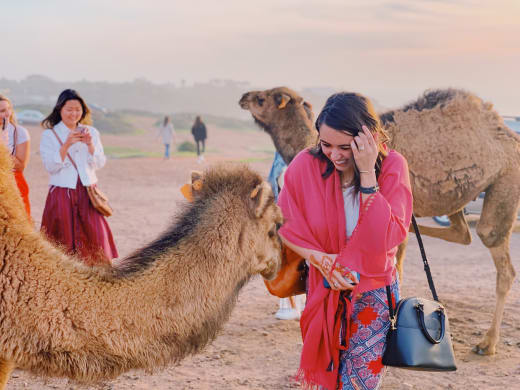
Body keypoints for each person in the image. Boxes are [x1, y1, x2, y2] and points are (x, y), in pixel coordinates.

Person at [277, 92, 413, 390]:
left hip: (373, 295)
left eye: (345, 146)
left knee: (359, 384)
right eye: (326, 145)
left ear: (369, 137)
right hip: (324, 287)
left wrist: (366, 173)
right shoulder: (305, 166)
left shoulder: (393, 168)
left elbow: (385, 238)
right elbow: (286, 226)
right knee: (329, 379)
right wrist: (319, 259)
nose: (335, 155)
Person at [40, 89, 118, 266]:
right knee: (61, 238)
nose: (74, 113)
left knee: (95, 234)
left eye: (77, 109)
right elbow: (50, 167)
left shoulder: (91, 132)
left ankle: (97, 274)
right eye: (69, 109)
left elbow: (100, 163)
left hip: (88, 190)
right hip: (61, 191)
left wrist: (90, 144)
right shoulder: (49, 135)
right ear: (60, 109)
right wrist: (66, 144)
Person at [0, 94, 31, 218]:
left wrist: (3, 147)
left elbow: (20, 166)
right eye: (2, 111)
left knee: (18, 225)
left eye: (8, 109)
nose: (7, 114)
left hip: (14, 184)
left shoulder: (20, 132)